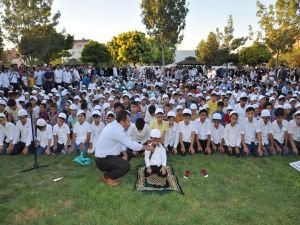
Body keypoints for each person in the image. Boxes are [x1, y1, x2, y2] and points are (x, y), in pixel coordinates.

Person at [94, 110, 154, 186]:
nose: (130, 123)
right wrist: (147, 147)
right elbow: (130, 144)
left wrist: (125, 154)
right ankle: (107, 176)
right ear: (122, 122)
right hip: (102, 160)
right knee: (126, 166)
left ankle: (113, 170)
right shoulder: (116, 130)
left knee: (130, 153)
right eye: (128, 121)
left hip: (108, 155)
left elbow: (121, 142)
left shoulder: (115, 125)